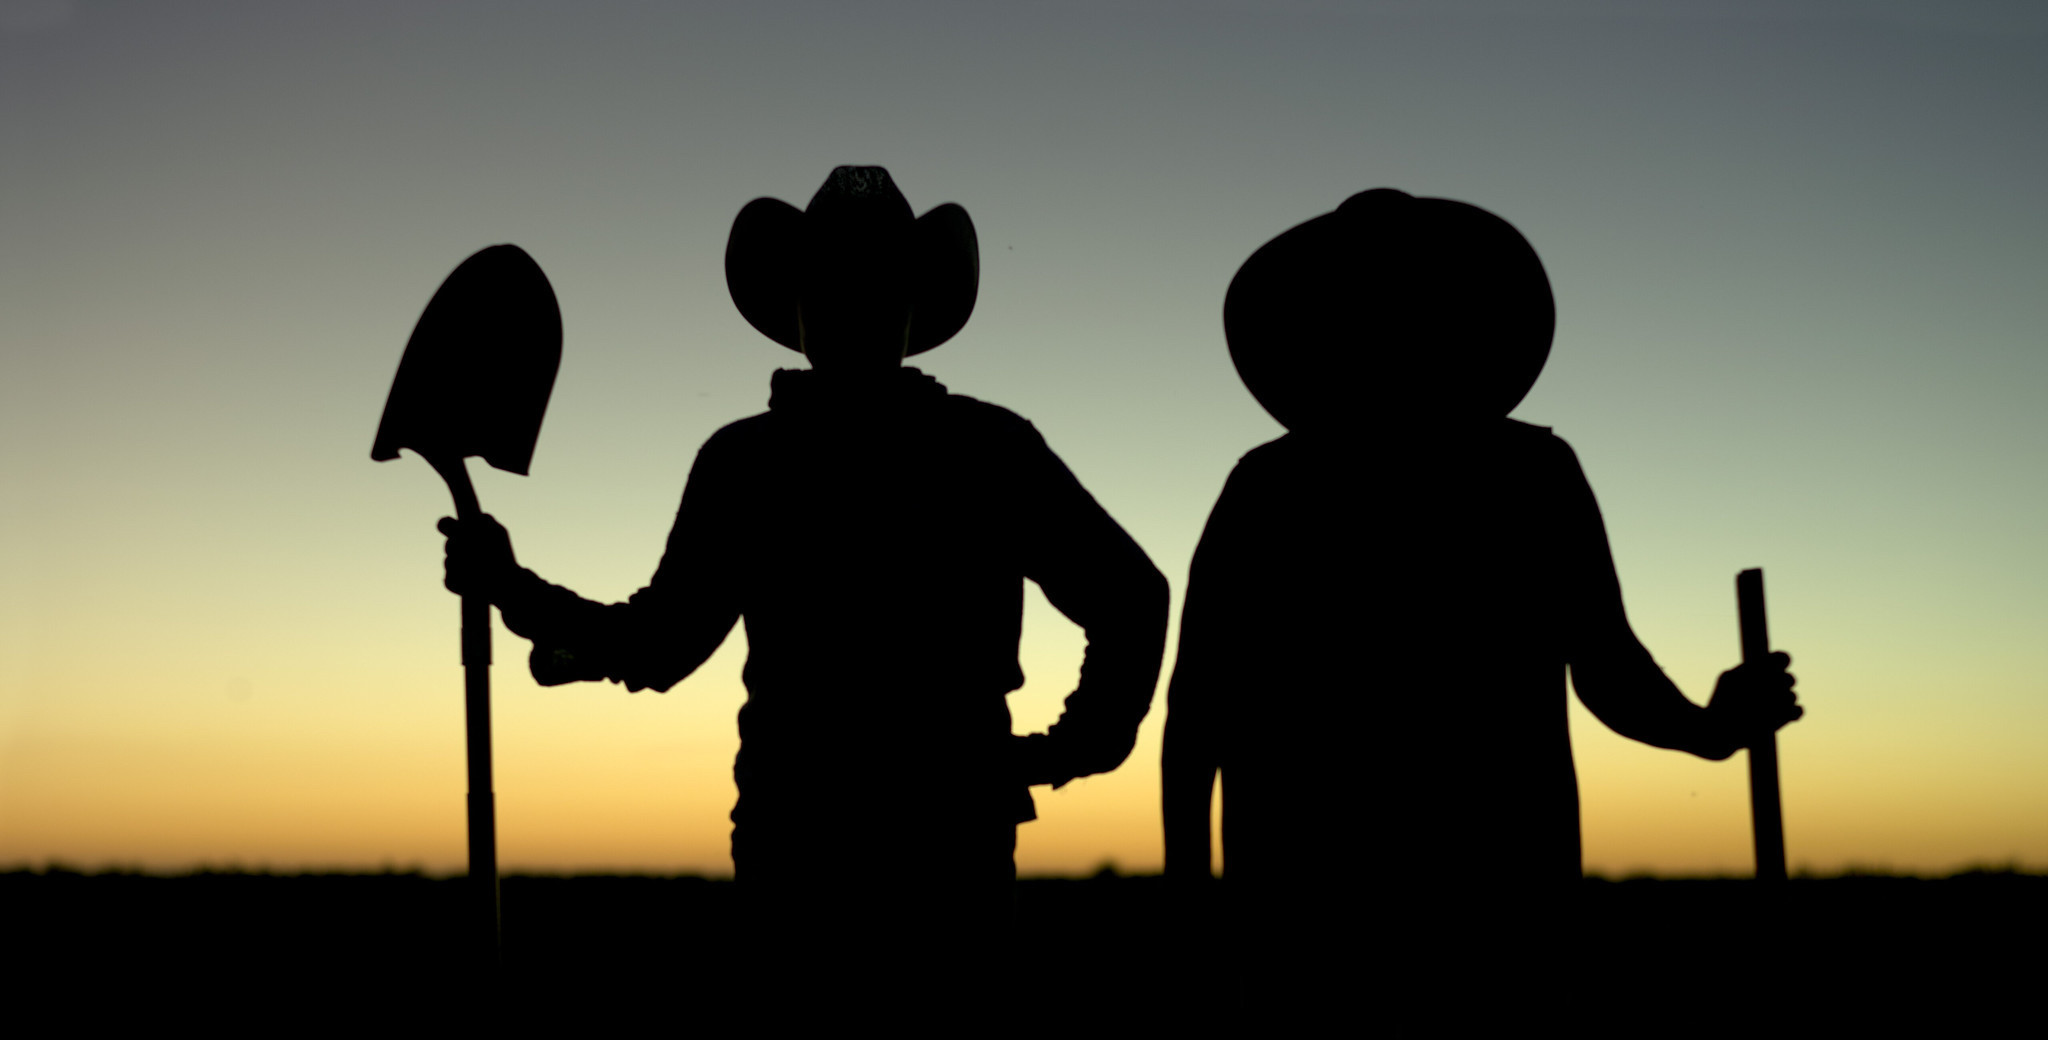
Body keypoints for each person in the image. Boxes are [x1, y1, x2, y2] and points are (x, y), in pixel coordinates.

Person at [441, 166, 1167, 947]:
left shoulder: (776, 459)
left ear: (906, 302)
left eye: (872, 281)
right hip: (880, 858)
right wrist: (516, 592)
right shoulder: (974, 449)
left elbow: (659, 644)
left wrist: (1067, 748)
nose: (851, 301)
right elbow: (660, 643)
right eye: (832, 281)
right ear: (801, 303)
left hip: (855, 858)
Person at [1159, 188, 1802, 948]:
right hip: (1389, 885)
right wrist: (1189, 893)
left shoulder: (1518, 476)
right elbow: (1202, 703)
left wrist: (1708, 729)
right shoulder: (1282, 487)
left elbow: (1606, 667)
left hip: (1419, 883)